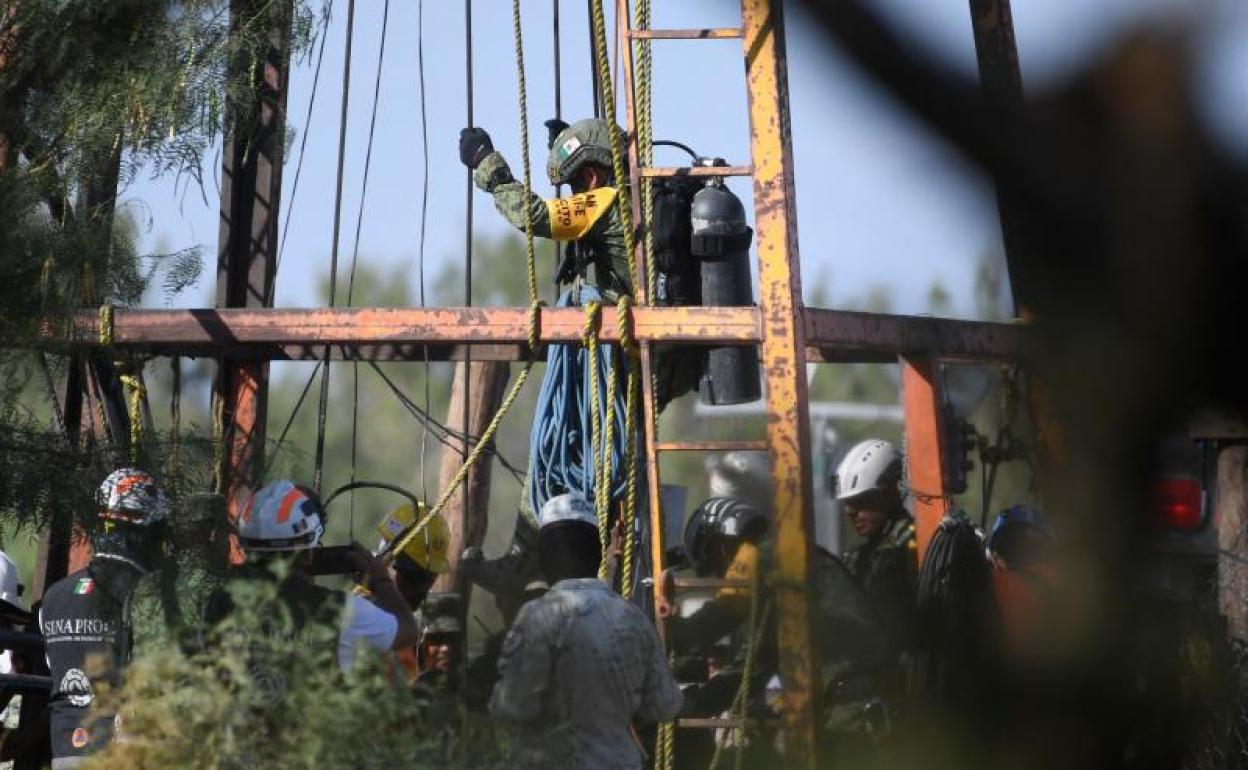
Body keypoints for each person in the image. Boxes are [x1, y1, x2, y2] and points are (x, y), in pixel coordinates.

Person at [490, 492, 681, 770]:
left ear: (544, 558)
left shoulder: (537, 617)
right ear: (596, 553)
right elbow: (665, 706)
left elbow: (512, 707)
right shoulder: (632, 618)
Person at [203, 481, 419, 682]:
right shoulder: (340, 611)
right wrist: (380, 580)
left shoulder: (220, 599)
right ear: (306, 553)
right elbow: (407, 630)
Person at [40, 468, 168, 767]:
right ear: (146, 530)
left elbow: (54, 667)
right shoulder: (145, 594)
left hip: (65, 750)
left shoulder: (54, 595)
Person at [460, 119, 632, 298]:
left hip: (637, 316)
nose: (573, 195)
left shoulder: (606, 203)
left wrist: (487, 163)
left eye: (574, 184)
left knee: (574, 300)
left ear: (591, 177)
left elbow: (533, 215)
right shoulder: (640, 194)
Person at [338, 502, 449, 674]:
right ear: (383, 562)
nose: (420, 589)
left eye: (429, 577)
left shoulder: (419, 628)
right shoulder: (362, 619)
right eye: (413, 576)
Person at [834, 439, 918, 656]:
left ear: (892, 492)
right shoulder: (860, 556)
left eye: (861, 500)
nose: (850, 512)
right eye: (847, 503)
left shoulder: (913, 548)